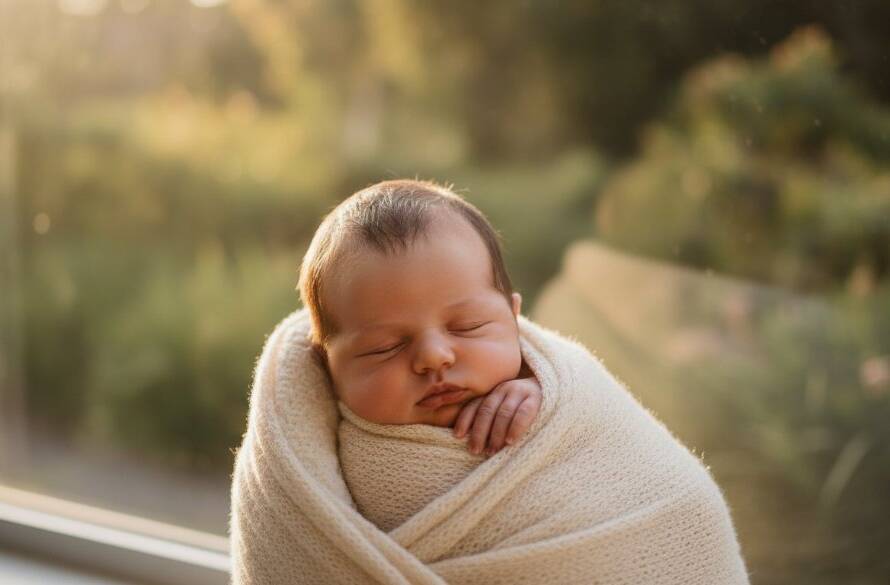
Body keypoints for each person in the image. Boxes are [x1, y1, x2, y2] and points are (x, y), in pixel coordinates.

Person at [229, 178, 750, 584]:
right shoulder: (300, 457)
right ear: (325, 365)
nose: (435, 356)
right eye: (384, 347)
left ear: (514, 319)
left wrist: (546, 394)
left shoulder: (566, 403)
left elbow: (673, 507)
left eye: (469, 327)